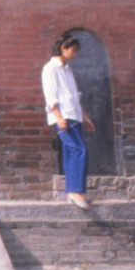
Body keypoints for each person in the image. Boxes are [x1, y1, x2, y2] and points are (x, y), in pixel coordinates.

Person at [42, 34, 95, 209]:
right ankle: (75, 190)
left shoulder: (67, 69)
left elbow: (74, 95)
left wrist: (85, 116)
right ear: (63, 49)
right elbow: (51, 96)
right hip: (64, 116)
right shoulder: (50, 69)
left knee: (71, 152)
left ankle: (72, 191)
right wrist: (58, 117)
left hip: (75, 116)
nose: (75, 54)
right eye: (73, 50)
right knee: (79, 150)